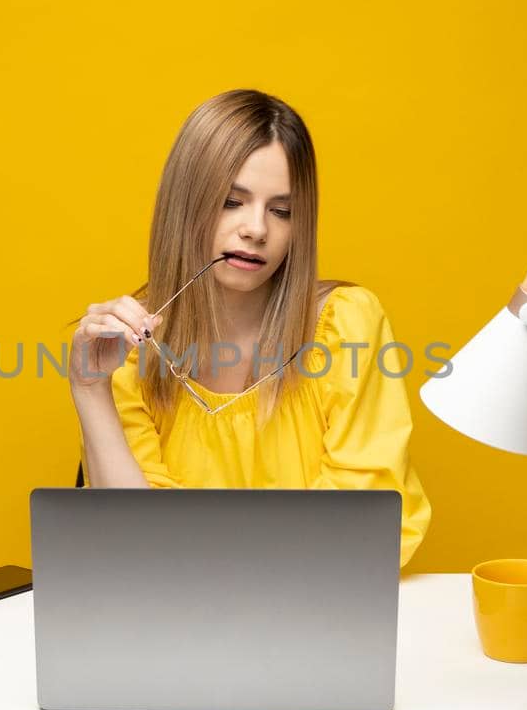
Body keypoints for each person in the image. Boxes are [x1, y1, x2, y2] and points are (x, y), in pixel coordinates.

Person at [68, 89, 431, 567]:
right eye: (231, 202)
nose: (256, 229)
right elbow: (135, 545)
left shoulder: (347, 324)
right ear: (185, 205)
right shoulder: (129, 345)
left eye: (281, 211)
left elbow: (360, 525)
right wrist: (89, 388)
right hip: (179, 616)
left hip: (316, 606)